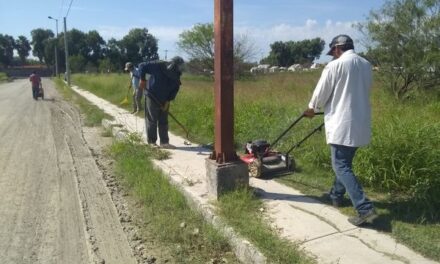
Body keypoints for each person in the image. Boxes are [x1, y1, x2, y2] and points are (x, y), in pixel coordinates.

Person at [304, 34, 377, 226]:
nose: (333, 55)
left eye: (333, 52)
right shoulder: (366, 65)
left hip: (342, 122)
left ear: (337, 48)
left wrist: (312, 108)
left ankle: (364, 208)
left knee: (341, 165)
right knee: (344, 163)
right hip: (360, 121)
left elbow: (322, 92)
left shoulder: (335, 66)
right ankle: (336, 195)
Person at [138, 56, 184, 149]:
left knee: (163, 120)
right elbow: (142, 66)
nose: (180, 68)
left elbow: (175, 89)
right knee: (152, 119)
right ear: (173, 64)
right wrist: (142, 79)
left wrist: (167, 102)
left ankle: (164, 142)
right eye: (178, 66)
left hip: (165, 99)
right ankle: (152, 142)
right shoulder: (158, 65)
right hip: (152, 95)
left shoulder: (176, 75)